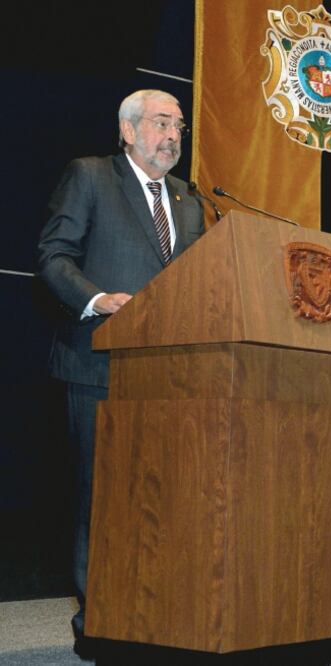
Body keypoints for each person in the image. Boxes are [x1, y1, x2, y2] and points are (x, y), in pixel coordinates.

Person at [37, 89, 205, 658]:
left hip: (170, 375)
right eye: (162, 123)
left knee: (161, 498)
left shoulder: (189, 200)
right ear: (128, 130)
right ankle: (100, 618)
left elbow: (202, 283)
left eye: (179, 126)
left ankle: (153, 607)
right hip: (98, 362)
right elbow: (54, 257)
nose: (174, 135)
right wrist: (98, 298)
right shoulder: (90, 177)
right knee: (101, 496)